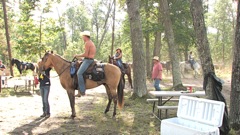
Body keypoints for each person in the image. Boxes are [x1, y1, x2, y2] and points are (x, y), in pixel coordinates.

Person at [75, 31, 96, 96]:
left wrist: (77, 55)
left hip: (88, 60)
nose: (82, 38)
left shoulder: (87, 43)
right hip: (88, 59)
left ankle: (82, 90)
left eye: (83, 36)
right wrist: (82, 59)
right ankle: (79, 90)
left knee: (79, 73)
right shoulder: (91, 42)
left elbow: (86, 54)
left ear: (85, 36)